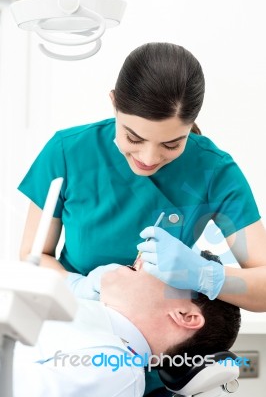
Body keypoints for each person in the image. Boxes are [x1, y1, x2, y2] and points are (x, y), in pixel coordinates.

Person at [17, 42, 266, 393]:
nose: (148, 158)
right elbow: (33, 257)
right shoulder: (68, 152)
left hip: (148, 363)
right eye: (133, 137)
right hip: (71, 333)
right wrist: (81, 288)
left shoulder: (214, 172)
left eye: (172, 144)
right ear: (114, 102)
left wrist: (204, 275)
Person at [13, 253, 241, 397]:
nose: (141, 258)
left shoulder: (115, 371)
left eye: (173, 266)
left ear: (185, 316)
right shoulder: (86, 322)